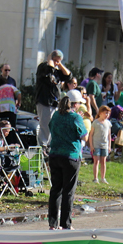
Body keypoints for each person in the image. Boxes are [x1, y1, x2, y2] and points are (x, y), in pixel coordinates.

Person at [47, 96, 87, 230]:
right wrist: (78, 117)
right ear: (75, 105)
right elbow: (84, 135)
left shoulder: (56, 116)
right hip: (71, 156)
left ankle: (52, 223)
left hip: (55, 154)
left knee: (55, 190)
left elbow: (50, 128)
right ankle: (65, 224)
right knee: (68, 191)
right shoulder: (76, 118)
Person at [34, 50, 71, 147]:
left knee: (53, 124)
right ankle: (43, 146)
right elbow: (48, 70)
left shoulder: (57, 71)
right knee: (45, 125)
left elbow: (68, 76)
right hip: (44, 100)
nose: (56, 63)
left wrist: (60, 65)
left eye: (58, 61)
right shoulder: (43, 67)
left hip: (54, 102)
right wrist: (50, 59)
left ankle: (50, 145)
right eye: (55, 61)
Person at [90, 105, 112, 183]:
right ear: (100, 113)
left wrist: (109, 146)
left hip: (105, 145)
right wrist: (91, 145)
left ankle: (103, 178)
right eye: (106, 113)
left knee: (103, 161)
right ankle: (95, 178)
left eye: (108, 114)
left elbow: (109, 135)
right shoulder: (95, 123)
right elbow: (91, 134)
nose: (107, 115)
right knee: (96, 161)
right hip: (96, 145)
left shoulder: (108, 123)